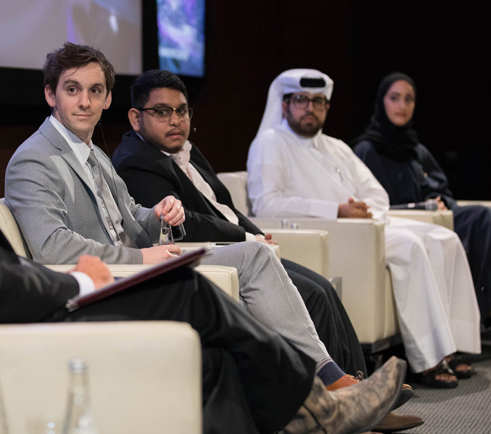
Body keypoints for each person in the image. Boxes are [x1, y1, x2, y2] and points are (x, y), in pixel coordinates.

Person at [0, 22, 406, 434]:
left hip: (15, 312)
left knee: (202, 332)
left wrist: (150, 228)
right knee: (184, 291)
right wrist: (82, 282)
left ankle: (306, 408)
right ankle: (319, 405)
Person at [4, 43, 379, 398]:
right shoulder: (33, 159)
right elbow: (51, 246)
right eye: (72, 89)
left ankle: (327, 376)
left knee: (256, 256)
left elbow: (130, 214)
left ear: (107, 99)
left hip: (143, 266)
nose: (85, 101)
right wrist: (140, 259)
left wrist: (160, 212)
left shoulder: (95, 154)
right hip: (107, 283)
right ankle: (318, 390)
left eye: (95, 90)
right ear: (51, 95)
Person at [112, 69, 368, 376]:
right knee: (312, 294)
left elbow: (224, 207)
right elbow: (182, 225)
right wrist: (246, 237)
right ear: (135, 118)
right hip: (210, 256)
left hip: (241, 247)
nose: (176, 120)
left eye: (181, 111)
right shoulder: (136, 161)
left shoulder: (184, 150)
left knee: (323, 286)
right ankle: (338, 394)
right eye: (162, 112)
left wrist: (257, 233)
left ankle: (359, 383)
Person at [247, 69, 482, 389]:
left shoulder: (336, 146)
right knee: (412, 244)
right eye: (301, 100)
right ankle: (427, 360)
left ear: (327, 107)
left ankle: (452, 346)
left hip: (363, 229)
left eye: (318, 101)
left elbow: (377, 194)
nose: (310, 108)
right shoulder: (271, 142)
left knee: (445, 237)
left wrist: (363, 212)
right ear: (285, 104)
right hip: (331, 234)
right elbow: (267, 205)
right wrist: (338, 211)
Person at [352, 72, 491, 359]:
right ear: (381, 103)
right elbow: (371, 202)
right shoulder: (366, 150)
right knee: (469, 238)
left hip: (434, 217)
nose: (402, 105)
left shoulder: (416, 150)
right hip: (401, 222)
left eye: (409, 99)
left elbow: (440, 188)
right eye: (395, 98)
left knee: (481, 219)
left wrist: (438, 203)